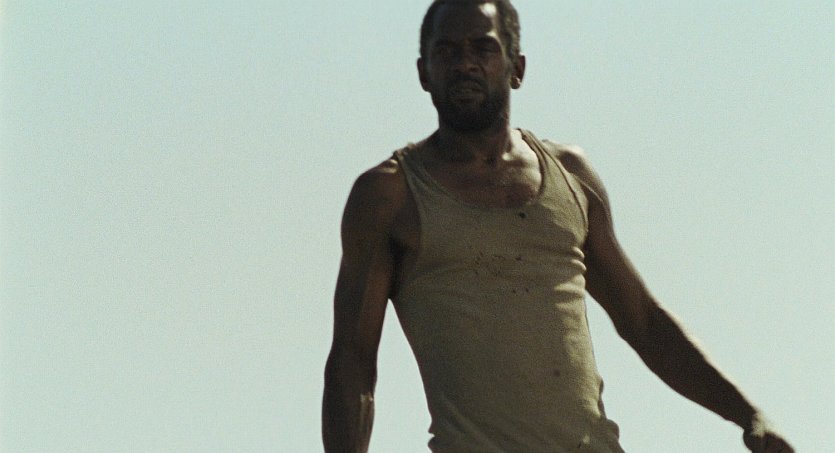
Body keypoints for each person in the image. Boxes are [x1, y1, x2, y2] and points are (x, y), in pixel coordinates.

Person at [322, 1, 795, 452]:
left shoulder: (570, 176)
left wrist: (747, 415)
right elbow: (353, 362)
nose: (464, 64)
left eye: (483, 48)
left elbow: (644, 322)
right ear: (424, 73)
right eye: (446, 51)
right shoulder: (389, 196)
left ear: (517, 68)